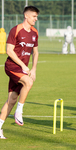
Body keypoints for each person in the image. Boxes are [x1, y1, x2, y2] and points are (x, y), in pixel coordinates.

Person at [0, 6, 39, 139]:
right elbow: (9, 50)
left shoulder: (35, 32)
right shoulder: (16, 30)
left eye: (36, 16)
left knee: (11, 100)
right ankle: (19, 111)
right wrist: (23, 65)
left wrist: (33, 68)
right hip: (12, 66)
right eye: (34, 16)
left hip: (22, 69)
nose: (36, 19)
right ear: (26, 16)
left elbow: (35, 52)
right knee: (28, 82)